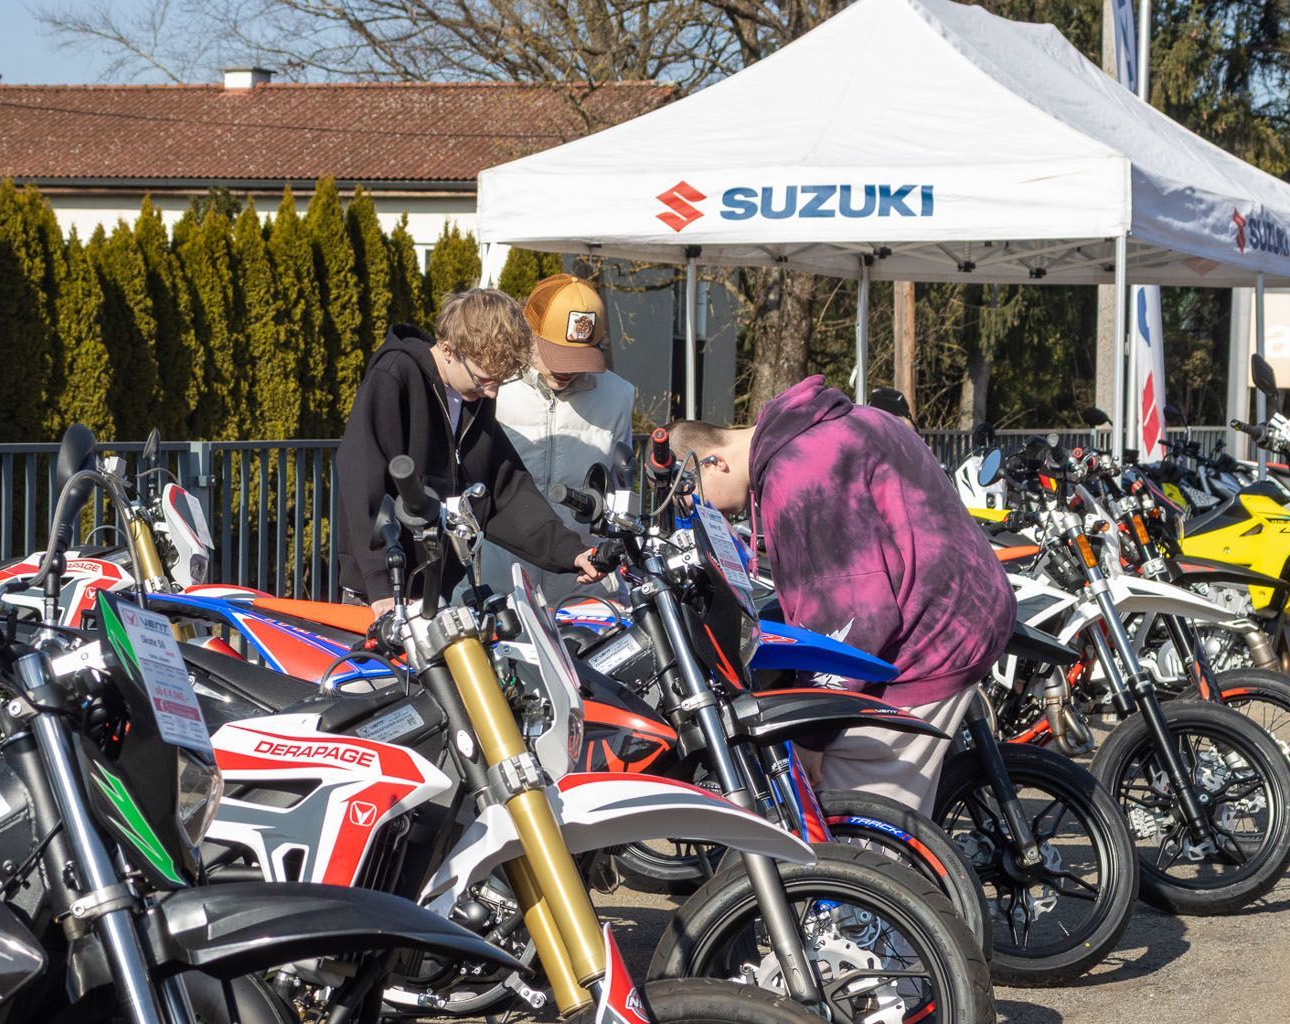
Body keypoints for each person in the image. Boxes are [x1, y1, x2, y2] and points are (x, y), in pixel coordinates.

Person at [669, 377, 1016, 814]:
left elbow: (853, 614)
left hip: (931, 641)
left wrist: (813, 738)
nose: (709, 513)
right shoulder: (844, 422)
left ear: (713, 462)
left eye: (697, 499)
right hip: (968, 606)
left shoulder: (798, 475)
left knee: (847, 816)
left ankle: (884, 861)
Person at [336, 288, 605, 613]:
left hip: (431, 589)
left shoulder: (473, 400)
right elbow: (362, 479)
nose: (492, 393)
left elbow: (506, 490)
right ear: (448, 349)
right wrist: (379, 583)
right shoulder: (395, 375)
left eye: (499, 382)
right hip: (379, 592)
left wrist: (571, 552)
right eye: (483, 380)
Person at [487, 274, 639, 601]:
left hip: (584, 587)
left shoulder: (618, 396)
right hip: (503, 583)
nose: (567, 369)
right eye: (557, 353)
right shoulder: (492, 388)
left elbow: (618, 491)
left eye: (579, 356)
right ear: (528, 333)